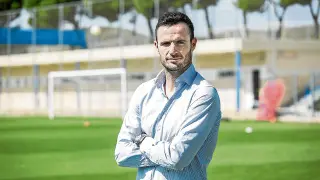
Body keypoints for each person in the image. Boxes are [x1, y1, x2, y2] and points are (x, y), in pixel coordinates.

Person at [114, 11, 222, 180]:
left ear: (193, 44)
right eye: (165, 43)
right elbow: (122, 154)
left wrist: (144, 142)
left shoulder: (203, 94)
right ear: (156, 45)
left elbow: (178, 158)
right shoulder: (144, 91)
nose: (173, 50)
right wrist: (165, 153)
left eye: (180, 42)